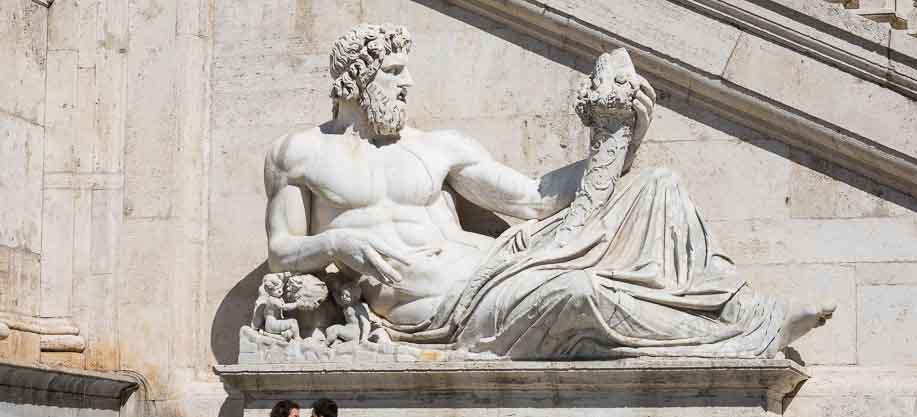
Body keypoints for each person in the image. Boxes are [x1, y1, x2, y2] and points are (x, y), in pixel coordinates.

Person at [261, 23, 832, 361]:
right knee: (580, 294)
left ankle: (740, 311)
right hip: (436, 307)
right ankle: (739, 337)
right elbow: (281, 249)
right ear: (356, 80)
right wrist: (335, 247)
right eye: (394, 71)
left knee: (658, 186)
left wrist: (622, 136)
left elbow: (533, 199)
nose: (407, 83)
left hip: (494, 268)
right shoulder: (301, 153)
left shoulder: (438, 146)